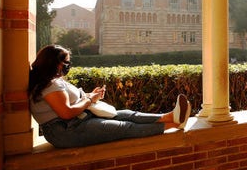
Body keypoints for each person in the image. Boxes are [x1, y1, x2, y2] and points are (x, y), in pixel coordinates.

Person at [29, 44, 191, 148]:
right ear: (52, 63)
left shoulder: (54, 81)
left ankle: (171, 116)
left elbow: (72, 101)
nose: (68, 66)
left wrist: (92, 95)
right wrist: (89, 100)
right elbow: (66, 112)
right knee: (123, 128)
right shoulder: (49, 85)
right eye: (65, 63)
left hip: (77, 121)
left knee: (126, 114)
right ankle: (174, 125)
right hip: (66, 131)